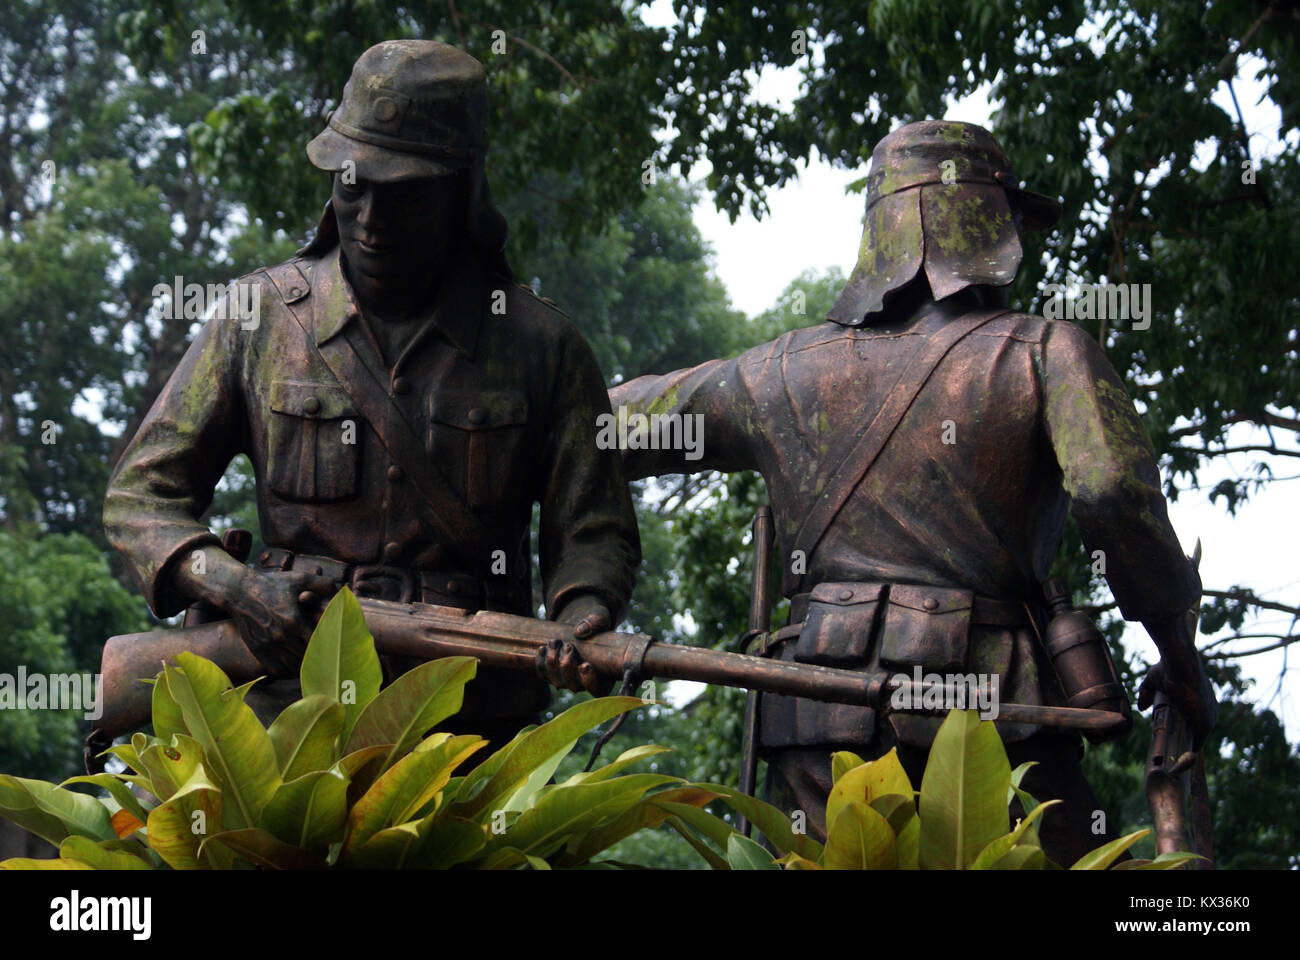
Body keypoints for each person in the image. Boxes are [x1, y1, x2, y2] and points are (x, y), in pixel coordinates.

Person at [607, 120, 1216, 864]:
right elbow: (1113, 490)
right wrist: (1178, 656)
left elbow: (601, 431)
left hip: (818, 725)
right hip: (993, 715)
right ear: (995, 225)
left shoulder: (777, 373)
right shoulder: (1047, 350)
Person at [104, 39, 639, 745]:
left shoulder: (541, 347)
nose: (371, 220)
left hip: (469, 720)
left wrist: (583, 618)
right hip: (286, 710)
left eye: (406, 196)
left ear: (462, 191)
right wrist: (235, 588)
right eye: (352, 186)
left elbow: (593, 533)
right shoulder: (257, 318)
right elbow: (140, 499)